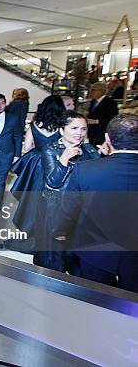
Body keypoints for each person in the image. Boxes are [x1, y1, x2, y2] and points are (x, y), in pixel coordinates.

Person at [56, 114, 138, 291]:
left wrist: (60, 232)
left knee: (96, 301)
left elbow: (68, 211)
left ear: (107, 138)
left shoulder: (85, 170)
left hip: (94, 250)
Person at [36, 111, 99, 271]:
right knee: (56, 259)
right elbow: (52, 183)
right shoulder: (50, 150)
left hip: (83, 210)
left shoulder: (89, 150)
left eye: (83, 129)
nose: (79, 133)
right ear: (62, 130)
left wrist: (106, 157)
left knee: (78, 259)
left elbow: (98, 178)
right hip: (57, 209)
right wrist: (63, 160)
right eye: (74, 128)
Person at [10, 95, 66, 250]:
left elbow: (26, 148)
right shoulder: (62, 127)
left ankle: (29, 231)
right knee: (53, 199)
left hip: (36, 165)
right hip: (55, 163)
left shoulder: (35, 125)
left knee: (31, 199)